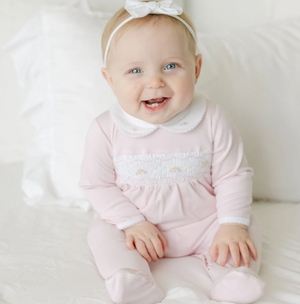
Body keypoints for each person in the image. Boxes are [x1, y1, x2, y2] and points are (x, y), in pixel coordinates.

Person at [78, 0, 266, 303]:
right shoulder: (106, 129)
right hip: (136, 230)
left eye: (171, 66)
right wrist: (132, 222)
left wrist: (231, 225)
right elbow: (96, 184)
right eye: (135, 70)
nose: (155, 81)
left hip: (204, 224)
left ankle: (234, 276)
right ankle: (130, 277)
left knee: (246, 227)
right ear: (110, 80)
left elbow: (233, 174)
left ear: (196, 68)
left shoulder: (212, 118)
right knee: (102, 235)